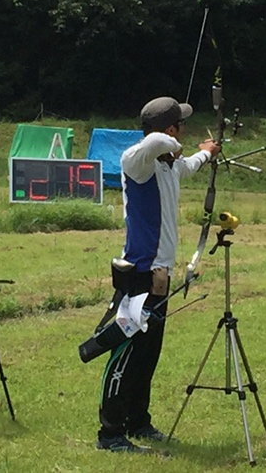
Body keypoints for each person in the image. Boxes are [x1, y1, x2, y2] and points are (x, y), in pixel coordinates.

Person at [97, 96, 220, 453]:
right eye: (180, 125)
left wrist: (207, 152)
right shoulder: (138, 161)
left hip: (159, 277)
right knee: (126, 355)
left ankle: (138, 422)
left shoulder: (168, 167)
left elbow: (191, 164)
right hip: (138, 274)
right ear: (170, 130)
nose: (184, 131)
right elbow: (155, 142)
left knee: (148, 354)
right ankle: (110, 434)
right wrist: (174, 142)